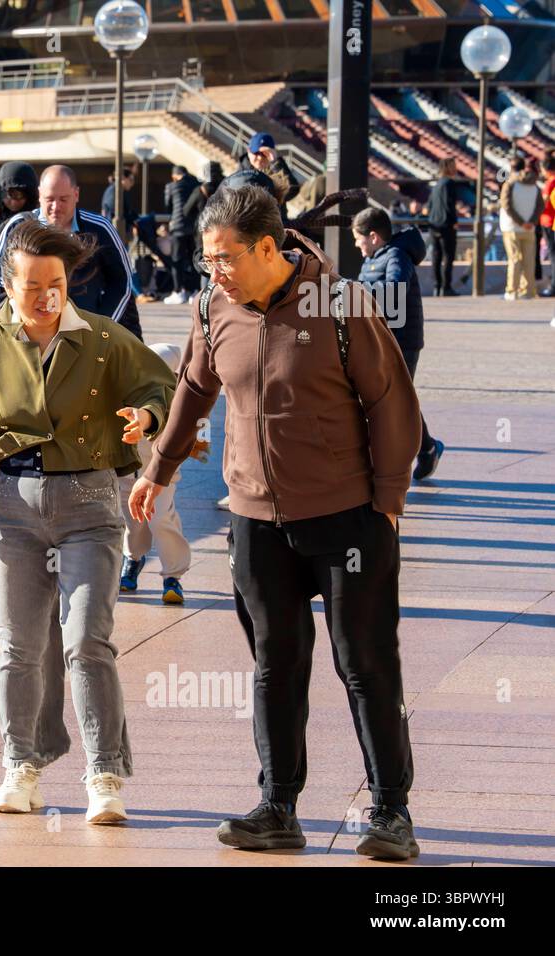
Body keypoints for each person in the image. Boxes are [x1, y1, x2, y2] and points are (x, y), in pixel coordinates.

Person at [129, 185, 422, 861]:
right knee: (274, 665)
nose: (215, 271)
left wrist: (389, 501)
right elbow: (195, 390)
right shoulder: (212, 307)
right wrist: (158, 470)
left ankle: (390, 813)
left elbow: (391, 401)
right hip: (257, 521)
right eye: (206, 260)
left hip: (348, 517)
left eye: (225, 257)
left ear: (268, 247)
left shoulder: (341, 303)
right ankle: (277, 807)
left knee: (367, 666)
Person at [0, 219, 175, 823]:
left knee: (85, 641)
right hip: (15, 509)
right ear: (7, 287)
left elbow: (159, 383)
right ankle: (22, 766)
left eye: (58, 284)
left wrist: (145, 418)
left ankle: (106, 775)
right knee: (17, 646)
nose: (47, 297)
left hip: (91, 507)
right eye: (33, 285)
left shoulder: (100, 338)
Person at [0, 164, 142, 340]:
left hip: (86, 333)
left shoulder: (99, 228)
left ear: (76, 194)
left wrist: (100, 324)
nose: (56, 207)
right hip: (31, 334)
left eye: (63, 199)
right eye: (49, 199)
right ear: (39, 195)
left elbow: (122, 282)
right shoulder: (18, 226)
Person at [353, 206, 445, 482]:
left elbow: (394, 290)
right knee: (393, 400)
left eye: (358, 238)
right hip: (381, 337)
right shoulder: (373, 258)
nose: (356, 244)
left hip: (403, 340)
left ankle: (406, 459)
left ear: (372, 236)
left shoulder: (396, 255)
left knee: (395, 401)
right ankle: (427, 448)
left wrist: (358, 292)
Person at [118, 342, 193, 604]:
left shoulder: (184, 401)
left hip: (160, 475)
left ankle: (172, 576)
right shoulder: (128, 392)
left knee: (160, 517)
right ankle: (133, 559)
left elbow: (188, 440)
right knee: (134, 523)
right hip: (126, 473)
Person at [499, 154, 541, 301]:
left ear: (511, 168)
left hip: (512, 227)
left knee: (515, 259)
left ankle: (512, 291)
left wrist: (520, 221)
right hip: (529, 228)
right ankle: (528, 290)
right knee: (529, 260)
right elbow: (539, 205)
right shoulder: (534, 184)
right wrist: (531, 221)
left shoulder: (510, 184)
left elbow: (506, 204)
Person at [163, 164, 201, 304]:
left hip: (178, 227)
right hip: (194, 228)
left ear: (174, 176)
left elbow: (168, 206)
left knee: (177, 261)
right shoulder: (196, 184)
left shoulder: (171, 186)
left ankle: (179, 291)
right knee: (195, 259)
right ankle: (196, 290)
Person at [426, 157, 463, 296]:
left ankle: (437, 287)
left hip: (434, 225)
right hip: (446, 225)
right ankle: (446, 287)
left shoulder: (437, 185)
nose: (456, 168)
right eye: (453, 165)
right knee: (448, 256)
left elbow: (429, 206)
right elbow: (449, 204)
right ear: (447, 167)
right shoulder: (449, 183)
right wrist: (454, 221)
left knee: (436, 256)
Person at [539, 152, 555, 297]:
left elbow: (543, 203)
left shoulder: (550, 182)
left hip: (549, 221)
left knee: (553, 254)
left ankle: (554, 286)